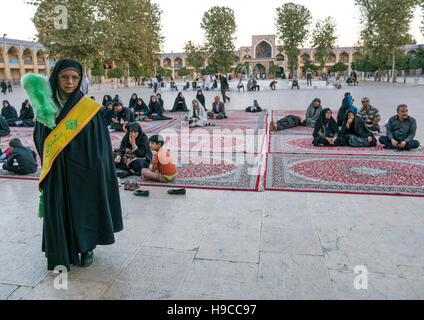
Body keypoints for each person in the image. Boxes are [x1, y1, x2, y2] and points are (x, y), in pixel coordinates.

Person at [33, 58, 123, 271]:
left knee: (83, 209)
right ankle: (61, 248)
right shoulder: (46, 106)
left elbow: (99, 145)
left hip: (84, 170)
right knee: (59, 208)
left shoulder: (88, 109)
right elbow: (40, 138)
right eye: (65, 77)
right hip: (56, 169)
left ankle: (86, 247)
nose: (70, 82)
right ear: (56, 78)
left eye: (75, 77)